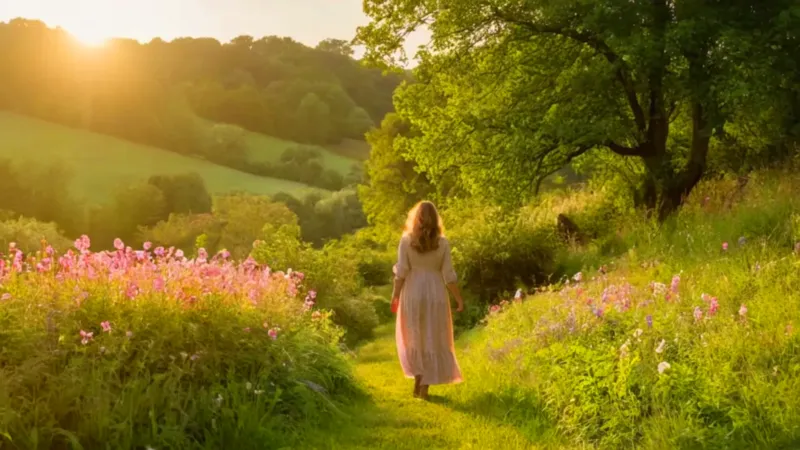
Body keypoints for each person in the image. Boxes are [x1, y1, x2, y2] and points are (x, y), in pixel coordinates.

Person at [391, 201, 464, 400]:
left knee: (414, 336)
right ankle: (424, 386)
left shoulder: (406, 240)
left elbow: (401, 272)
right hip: (435, 293)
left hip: (412, 292)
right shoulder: (443, 243)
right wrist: (458, 299)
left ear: (416, 218)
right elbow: (448, 275)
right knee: (432, 337)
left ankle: (419, 380)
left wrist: (395, 295)